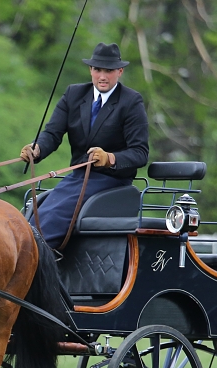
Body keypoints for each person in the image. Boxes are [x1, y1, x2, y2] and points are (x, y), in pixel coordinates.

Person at [19, 42, 149, 249]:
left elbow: (140, 153)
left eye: (109, 71)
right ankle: (30, 253)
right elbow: (52, 133)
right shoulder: (74, 94)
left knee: (54, 215)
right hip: (77, 178)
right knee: (35, 215)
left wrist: (109, 158)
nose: (102, 77)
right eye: (97, 70)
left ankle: (35, 255)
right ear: (90, 70)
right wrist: (37, 149)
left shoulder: (131, 101)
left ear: (120, 72)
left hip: (111, 181)